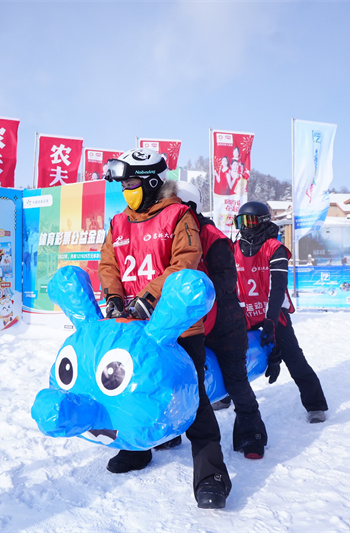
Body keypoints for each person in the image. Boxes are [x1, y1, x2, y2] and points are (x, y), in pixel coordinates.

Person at [98, 148, 231, 509]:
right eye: (123, 184)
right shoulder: (117, 222)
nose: (126, 190)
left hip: (178, 327)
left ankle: (211, 474)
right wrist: (113, 297)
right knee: (131, 388)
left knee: (193, 398)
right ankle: (136, 448)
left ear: (153, 182)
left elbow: (185, 262)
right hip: (133, 326)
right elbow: (108, 264)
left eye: (131, 182)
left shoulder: (178, 216)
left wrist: (150, 296)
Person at [176, 181, 268, 459]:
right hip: (188, 320)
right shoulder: (172, 233)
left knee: (235, 379)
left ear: (188, 207)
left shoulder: (211, 236)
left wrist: (195, 294)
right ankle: (171, 431)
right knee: (177, 377)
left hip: (224, 322)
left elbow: (226, 282)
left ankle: (252, 433)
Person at [232, 202, 328, 423]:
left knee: (294, 358)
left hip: (273, 312)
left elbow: (277, 287)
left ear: (263, 222)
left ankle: (315, 405)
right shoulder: (234, 247)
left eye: (249, 221)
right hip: (246, 313)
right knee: (231, 355)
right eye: (240, 222)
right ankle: (227, 396)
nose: (244, 227)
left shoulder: (275, 248)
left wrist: (270, 320)